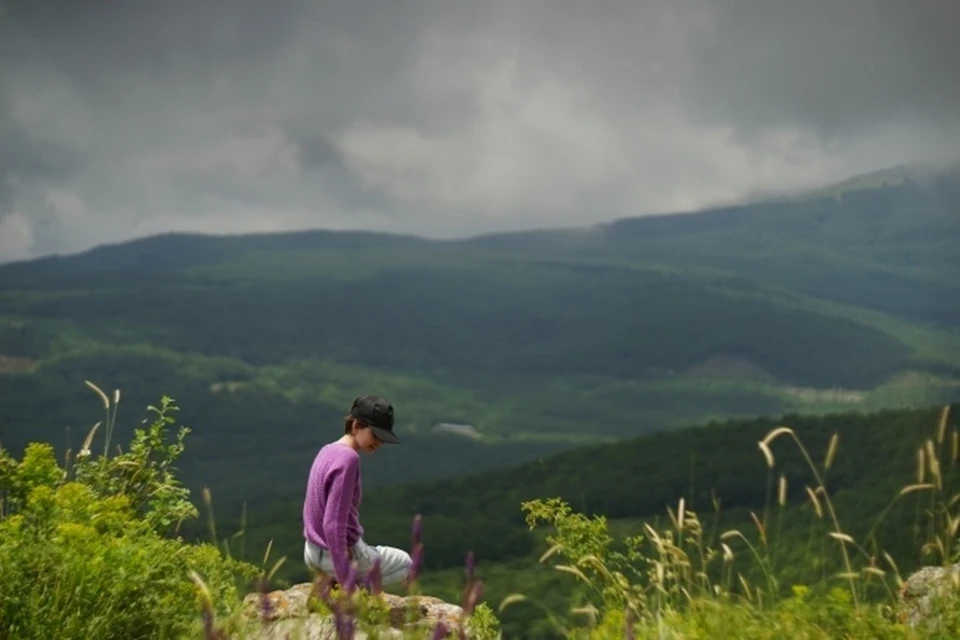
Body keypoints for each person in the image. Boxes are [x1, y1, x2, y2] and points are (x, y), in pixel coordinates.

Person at [302, 394, 413, 587]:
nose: (379, 442)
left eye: (383, 438)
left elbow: (310, 507)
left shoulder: (326, 450)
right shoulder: (349, 459)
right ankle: (355, 592)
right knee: (407, 564)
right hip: (339, 554)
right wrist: (346, 578)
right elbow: (332, 524)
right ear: (355, 426)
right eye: (376, 435)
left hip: (311, 551)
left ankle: (331, 583)